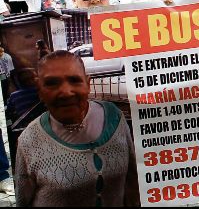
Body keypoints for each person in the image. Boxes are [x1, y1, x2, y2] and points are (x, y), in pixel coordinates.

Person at [15, 51, 140, 206]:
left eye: (75, 80)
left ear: (88, 84)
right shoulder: (29, 140)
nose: (66, 92)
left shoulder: (114, 117)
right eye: (52, 83)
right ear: (40, 91)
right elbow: (22, 200)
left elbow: (132, 182)